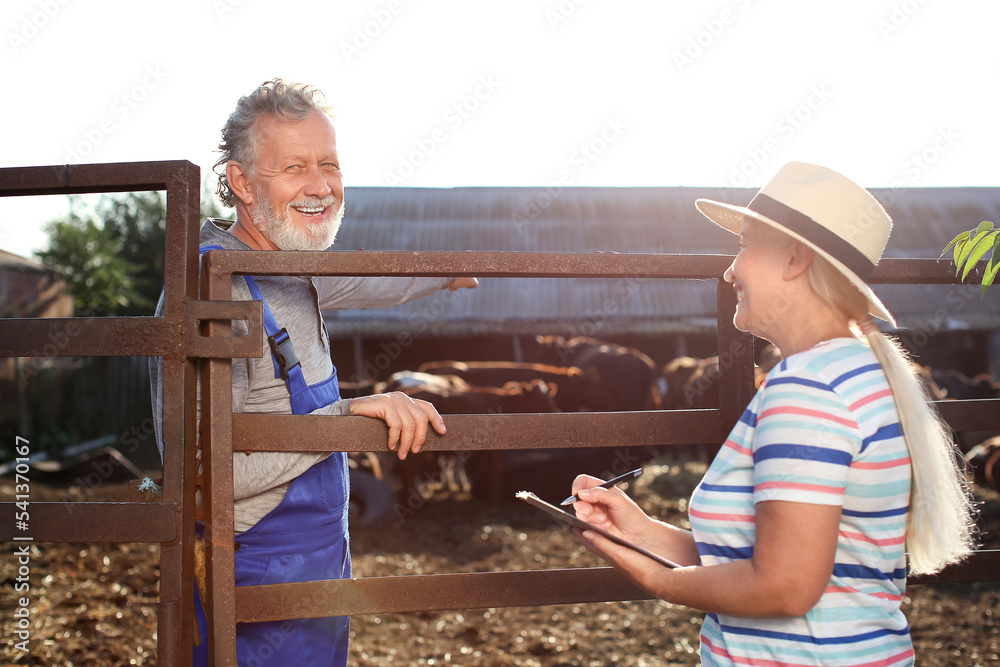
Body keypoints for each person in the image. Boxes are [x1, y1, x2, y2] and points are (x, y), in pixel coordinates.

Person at [570, 162, 975, 666]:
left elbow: (785, 587)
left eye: (744, 244)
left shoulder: (808, 389)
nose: (730, 269)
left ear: (795, 259)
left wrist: (659, 580)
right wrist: (640, 530)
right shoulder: (859, 371)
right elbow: (761, 561)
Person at [148, 78, 477, 666]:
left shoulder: (291, 268)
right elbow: (199, 475)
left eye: (329, 164)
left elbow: (369, 280)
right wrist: (347, 417)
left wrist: (446, 270)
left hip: (320, 568)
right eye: (294, 167)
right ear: (242, 182)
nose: (321, 186)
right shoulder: (210, 291)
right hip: (248, 577)